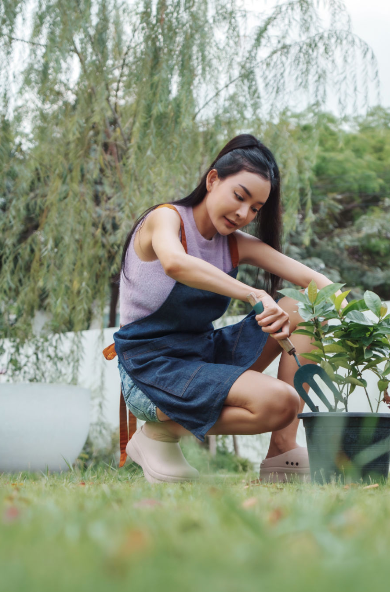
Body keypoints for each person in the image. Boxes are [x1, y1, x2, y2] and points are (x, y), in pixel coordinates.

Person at [105, 134, 336, 483]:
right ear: (213, 180)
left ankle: (282, 452)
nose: (244, 214)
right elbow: (175, 264)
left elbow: (316, 281)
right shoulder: (164, 220)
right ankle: (158, 434)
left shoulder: (234, 245)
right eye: (239, 197)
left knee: (305, 307)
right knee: (280, 402)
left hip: (201, 355)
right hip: (150, 368)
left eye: (255, 208)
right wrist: (252, 293)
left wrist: (358, 322)